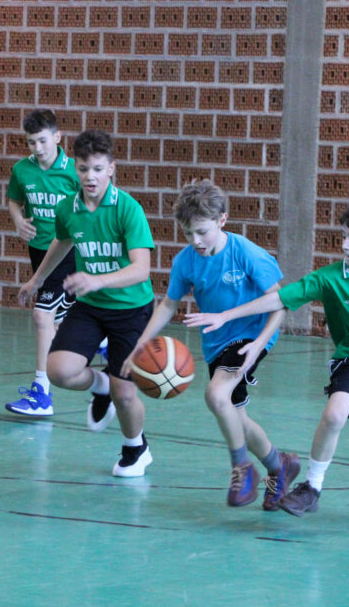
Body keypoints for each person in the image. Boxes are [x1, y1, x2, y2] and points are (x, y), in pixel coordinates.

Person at [186, 198, 349, 528]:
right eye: (343, 236)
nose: (344, 245)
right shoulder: (332, 277)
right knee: (334, 414)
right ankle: (312, 487)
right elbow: (279, 298)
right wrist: (226, 315)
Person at [121, 180, 300, 509]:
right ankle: (280, 465)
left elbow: (280, 303)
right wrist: (140, 345)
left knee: (216, 395)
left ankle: (242, 468)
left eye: (202, 232)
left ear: (222, 220)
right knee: (236, 418)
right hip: (217, 342)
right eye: (188, 233)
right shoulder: (186, 261)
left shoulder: (245, 253)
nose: (196, 241)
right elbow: (169, 304)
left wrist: (259, 345)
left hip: (250, 335)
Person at [18, 130, 156, 477]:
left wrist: (98, 280)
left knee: (126, 395)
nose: (90, 177)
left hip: (131, 311)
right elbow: (62, 242)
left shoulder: (128, 209)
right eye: (83, 169)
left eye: (97, 169)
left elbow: (141, 269)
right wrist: (37, 280)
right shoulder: (68, 208)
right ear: (76, 169)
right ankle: (102, 385)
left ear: (111, 168)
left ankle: (136, 448)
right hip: (91, 307)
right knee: (59, 370)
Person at [5, 109, 81, 418]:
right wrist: (17, 219)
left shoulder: (74, 172)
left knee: (41, 315)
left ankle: (41, 394)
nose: (37, 148)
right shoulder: (22, 170)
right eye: (31, 142)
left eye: (42, 141)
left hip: (66, 252)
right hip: (38, 251)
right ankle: (99, 338)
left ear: (57, 137)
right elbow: (14, 199)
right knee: (58, 320)